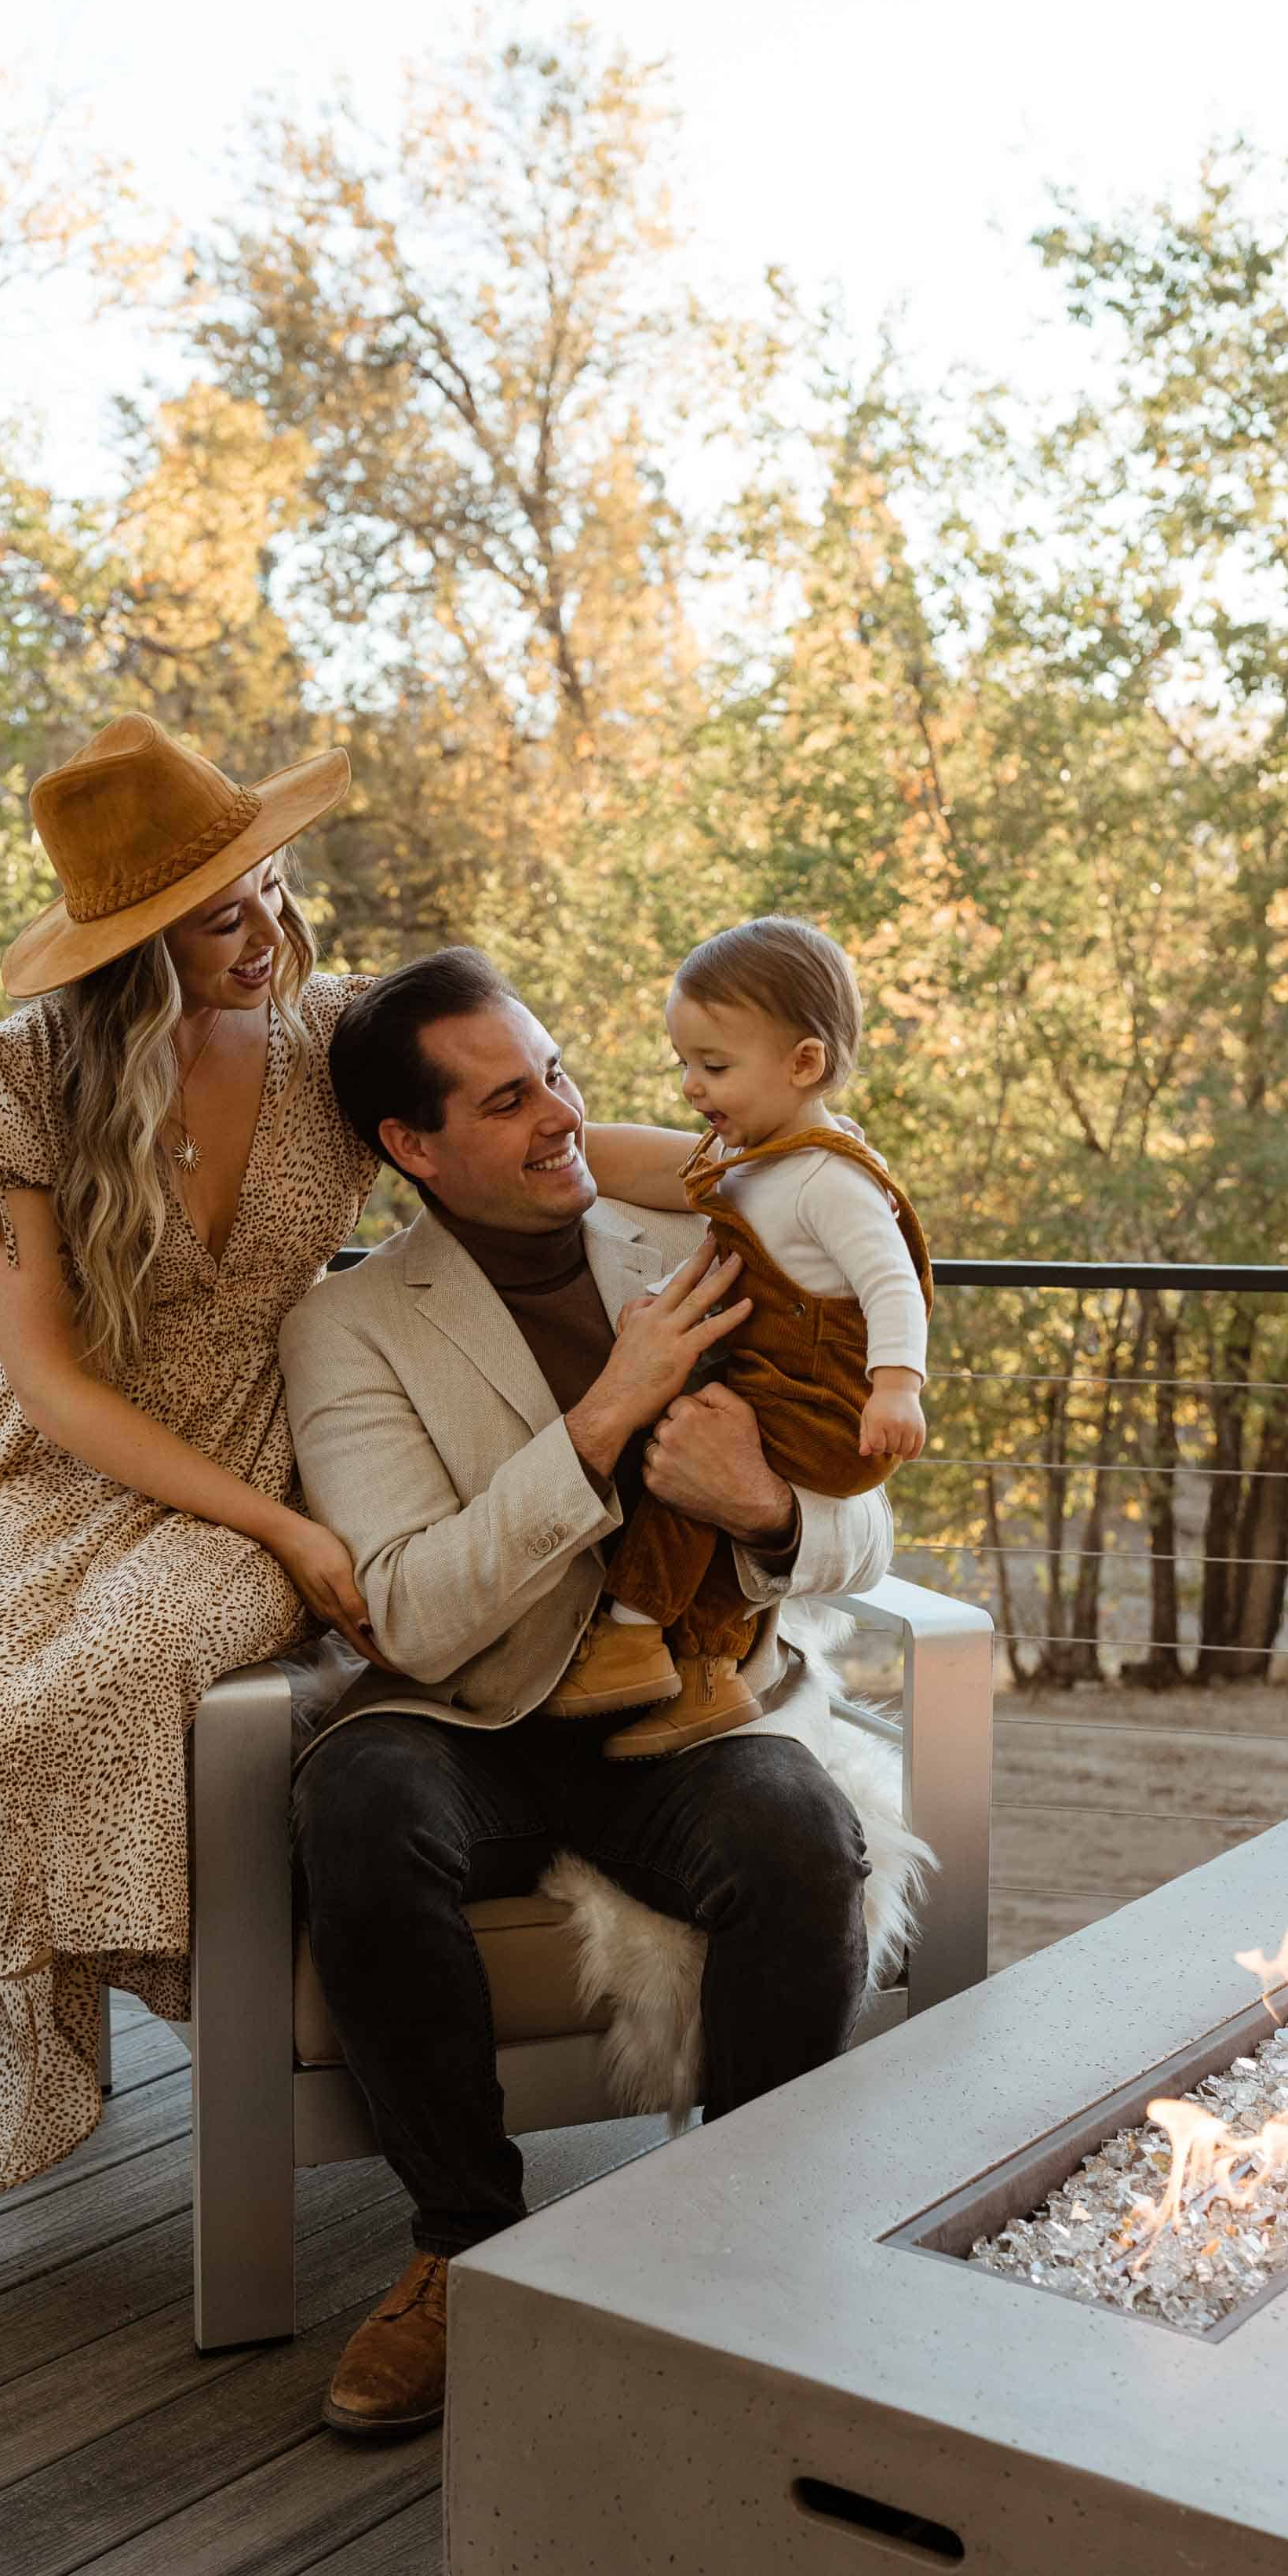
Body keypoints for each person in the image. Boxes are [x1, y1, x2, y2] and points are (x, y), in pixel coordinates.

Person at [0, 713, 384, 2384]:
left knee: (50, 1715)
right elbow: (43, 1374)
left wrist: (760, 1165)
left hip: (263, 1455)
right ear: (126, 962)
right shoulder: (19, 1078)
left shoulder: (339, 1044)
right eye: (216, 921)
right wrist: (277, 1534)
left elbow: (517, 1138)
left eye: (263, 890)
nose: (265, 932)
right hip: (63, 1475)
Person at [279, 946, 899, 2442]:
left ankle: (738, 2251)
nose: (562, 1113)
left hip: (679, 1714)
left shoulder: (703, 1231)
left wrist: (764, 1512)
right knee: (354, 1796)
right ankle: (461, 2248)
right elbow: (414, 1611)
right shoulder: (347, 1327)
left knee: (797, 1829)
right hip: (473, 1724)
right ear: (412, 1150)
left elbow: (867, 1517)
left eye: (558, 1070)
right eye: (509, 1099)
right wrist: (609, 1410)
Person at [543, 915, 931, 1757]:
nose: (690, 1086)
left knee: (684, 1475)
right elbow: (651, 1170)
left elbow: (892, 1280)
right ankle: (701, 1671)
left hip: (825, 1403)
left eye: (713, 1066)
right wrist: (546, 1142)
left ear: (803, 1064)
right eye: (682, 1062)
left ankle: (631, 1638)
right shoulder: (755, 1157)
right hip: (775, 1382)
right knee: (693, 1479)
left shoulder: (826, 1179)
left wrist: (898, 1383)